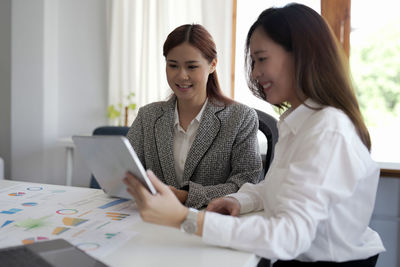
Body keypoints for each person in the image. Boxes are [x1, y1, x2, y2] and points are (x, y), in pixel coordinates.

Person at [124, 4, 385, 266]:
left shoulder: (328, 130)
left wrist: (185, 218)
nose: (255, 73)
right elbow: (278, 188)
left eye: (262, 59)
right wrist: (237, 200)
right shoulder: (301, 123)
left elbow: (289, 236)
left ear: (301, 55)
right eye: (254, 61)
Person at [126, 24, 262, 209]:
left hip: (210, 222)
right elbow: (127, 173)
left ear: (212, 64)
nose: (182, 76)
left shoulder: (241, 118)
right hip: (152, 219)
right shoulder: (147, 116)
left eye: (191, 66)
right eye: (173, 65)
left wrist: (186, 196)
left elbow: (247, 183)